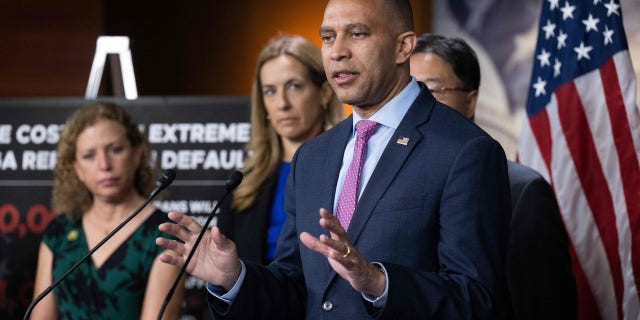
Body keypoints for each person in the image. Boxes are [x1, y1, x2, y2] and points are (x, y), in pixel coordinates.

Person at [156, 0, 511, 318]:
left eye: (357, 34)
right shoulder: (312, 156)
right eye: (328, 37)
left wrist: (378, 283)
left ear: (403, 46)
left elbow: (477, 300)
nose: (337, 52)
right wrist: (235, 278)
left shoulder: (464, 150)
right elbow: (298, 287)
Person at [410, 33, 577, 320]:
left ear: (470, 101)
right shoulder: (392, 184)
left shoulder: (523, 192)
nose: (417, 106)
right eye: (409, 93)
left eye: (433, 91)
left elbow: (544, 306)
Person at [31, 102, 184, 319]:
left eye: (116, 149)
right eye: (89, 155)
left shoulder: (166, 234)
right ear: (77, 169)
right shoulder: (59, 231)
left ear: (137, 154)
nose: (104, 164)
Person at [216, 35, 343, 265]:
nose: (282, 103)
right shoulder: (242, 185)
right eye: (270, 91)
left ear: (324, 92)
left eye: (294, 86)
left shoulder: (350, 170)